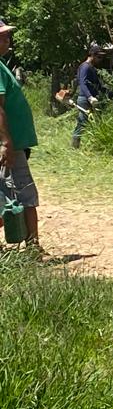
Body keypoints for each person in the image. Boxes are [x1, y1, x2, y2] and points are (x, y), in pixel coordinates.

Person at [0, 19, 41, 247]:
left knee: (11, 194)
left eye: (7, 35)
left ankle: (30, 244)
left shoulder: (2, 64)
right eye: (2, 36)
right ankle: (32, 246)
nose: (7, 40)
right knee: (23, 194)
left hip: (14, 143)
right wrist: (6, 142)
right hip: (10, 145)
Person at [72, 43, 109, 149]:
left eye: (102, 57)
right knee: (83, 121)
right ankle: (75, 146)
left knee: (98, 120)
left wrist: (111, 93)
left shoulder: (92, 68)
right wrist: (89, 97)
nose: (100, 59)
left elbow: (98, 85)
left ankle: (99, 144)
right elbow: (82, 83)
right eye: (99, 57)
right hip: (85, 99)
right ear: (92, 55)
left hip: (93, 98)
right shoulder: (85, 67)